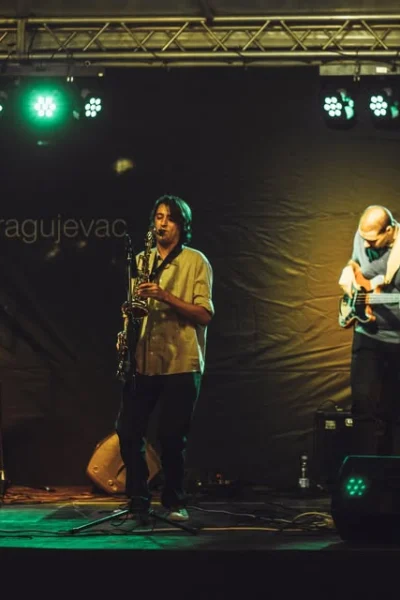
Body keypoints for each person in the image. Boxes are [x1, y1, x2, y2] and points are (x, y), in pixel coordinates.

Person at [115, 194, 214, 523]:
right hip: (143, 360)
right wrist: (125, 332)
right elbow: (133, 309)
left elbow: (204, 314)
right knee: (128, 431)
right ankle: (138, 501)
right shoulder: (140, 260)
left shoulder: (196, 261)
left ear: (182, 226)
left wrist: (164, 296)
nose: (163, 223)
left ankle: (174, 501)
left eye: (170, 218)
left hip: (180, 362)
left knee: (171, 437)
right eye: (158, 217)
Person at [339, 204, 400, 455]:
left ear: (390, 231)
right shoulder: (363, 237)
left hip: (397, 341)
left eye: (372, 240)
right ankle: (363, 468)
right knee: (362, 404)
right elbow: (357, 265)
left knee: (394, 411)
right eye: (362, 237)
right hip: (367, 336)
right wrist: (349, 274)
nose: (365, 244)